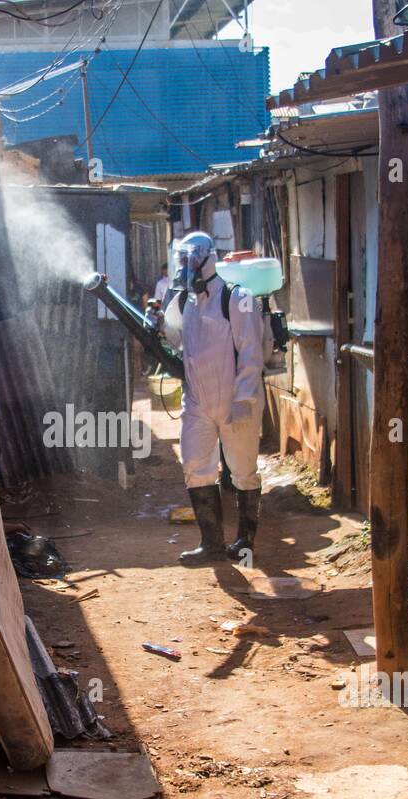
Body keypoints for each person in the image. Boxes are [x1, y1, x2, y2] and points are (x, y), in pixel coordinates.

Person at [154, 231, 264, 565]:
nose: (185, 266)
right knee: (195, 467)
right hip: (198, 400)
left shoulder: (237, 296)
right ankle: (211, 544)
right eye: (182, 260)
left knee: (243, 470)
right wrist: (159, 324)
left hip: (234, 399)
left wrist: (244, 398)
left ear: (206, 258)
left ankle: (244, 541)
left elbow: (251, 350)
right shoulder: (184, 301)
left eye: (190, 259)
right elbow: (177, 341)